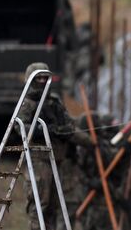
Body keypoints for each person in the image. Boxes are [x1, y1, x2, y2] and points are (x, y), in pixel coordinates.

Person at [19, 62, 92, 230]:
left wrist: (65, 130)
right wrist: (44, 130)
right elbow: (21, 127)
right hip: (39, 158)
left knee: (54, 205)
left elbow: (67, 123)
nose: (43, 81)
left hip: (56, 157)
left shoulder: (54, 100)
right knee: (39, 203)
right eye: (39, 78)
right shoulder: (27, 102)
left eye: (46, 77)